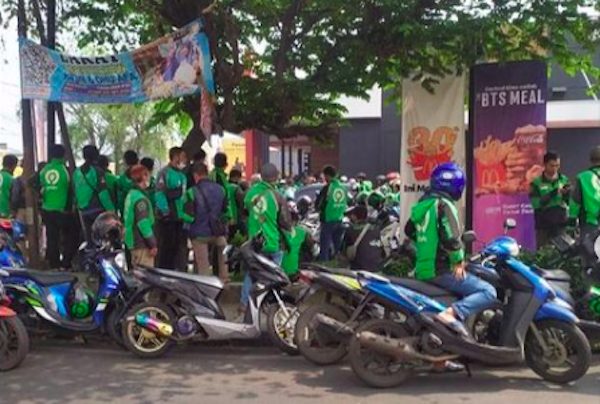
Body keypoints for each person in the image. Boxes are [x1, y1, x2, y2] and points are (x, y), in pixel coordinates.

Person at [405, 163, 497, 338]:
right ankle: (453, 313)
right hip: (441, 269)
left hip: (423, 268)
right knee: (488, 291)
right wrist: (458, 261)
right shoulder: (444, 205)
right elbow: (451, 238)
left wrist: (429, 245)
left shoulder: (423, 205)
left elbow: (409, 230)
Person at [239, 163, 292, 315]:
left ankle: (244, 304)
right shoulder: (277, 196)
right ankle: (270, 305)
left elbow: (244, 213)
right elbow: (285, 222)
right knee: (274, 276)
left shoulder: (249, 194)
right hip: (273, 243)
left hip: (254, 244)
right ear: (275, 178)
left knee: (251, 273)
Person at [183, 163, 229, 279]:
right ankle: (224, 281)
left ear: (195, 175)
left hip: (200, 235)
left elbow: (188, 216)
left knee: (203, 265)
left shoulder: (191, 192)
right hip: (218, 232)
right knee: (223, 257)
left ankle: (206, 287)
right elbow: (226, 212)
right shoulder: (221, 189)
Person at [39, 145, 78, 270]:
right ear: (64, 155)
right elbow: (73, 189)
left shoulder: (44, 170)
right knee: (72, 235)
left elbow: (35, 183)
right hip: (63, 211)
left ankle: (54, 265)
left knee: (52, 238)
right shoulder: (66, 170)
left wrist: (43, 196)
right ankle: (66, 263)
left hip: (47, 210)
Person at [155, 147, 188, 271]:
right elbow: (159, 193)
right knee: (166, 250)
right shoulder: (164, 173)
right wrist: (165, 212)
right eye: (183, 156)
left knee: (179, 249)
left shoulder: (182, 175)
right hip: (168, 218)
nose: (185, 160)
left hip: (180, 218)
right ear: (176, 157)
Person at [74, 145, 115, 241]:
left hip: (83, 210)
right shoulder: (97, 171)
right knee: (102, 239)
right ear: (96, 155)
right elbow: (103, 194)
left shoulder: (77, 172)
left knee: (90, 239)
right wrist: (111, 210)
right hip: (97, 210)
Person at [530, 151, 570, 247]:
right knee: (542, 254)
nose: (555, 169)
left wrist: (567, 194)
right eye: (552, 166)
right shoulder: (536, 183)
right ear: (545, 165)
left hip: (561, 223)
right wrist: (553, 193)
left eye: (557, 165)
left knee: (564, 252)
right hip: (544, 225)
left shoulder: (564, 179)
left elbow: (568, 202)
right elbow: (536, 204)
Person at [124, 165, 157, 268]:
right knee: (145, 278)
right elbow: (143, 224)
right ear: (143, 176)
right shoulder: (140, 199)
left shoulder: (131, 194)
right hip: (142, 245)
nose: (149, 177)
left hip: (132, 242)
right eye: (147, 175)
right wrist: (152, 244)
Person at [316, 165, 348, 261]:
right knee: (337, 248)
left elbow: (319, 204)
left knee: (324, 248)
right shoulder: (343, 188)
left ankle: (324, 268)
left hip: (328, 221)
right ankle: (337, 266)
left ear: (327, 175)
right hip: (340, 220)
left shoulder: (328, 188)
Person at [570, 146, 600, 239]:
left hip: (590, 224)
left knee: (589, 251)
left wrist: (572, 220)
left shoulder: (583, 177)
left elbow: (575, 202)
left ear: (591, 160)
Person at [342, 205, 384, 270]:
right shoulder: (376, 230)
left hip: (359, 267)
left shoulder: (351, 230)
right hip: (377, 267)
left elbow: (343, 250)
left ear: (354, 216)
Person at [281, 208, 315, 276]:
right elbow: (312, 250)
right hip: (293, 272)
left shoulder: (275, 232)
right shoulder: (302, 232)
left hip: (277, 273)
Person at [116, 150, 139, 215]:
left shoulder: (120, 180)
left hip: (127, 213)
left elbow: (120, 200)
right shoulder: (144, 176)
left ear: (125, 162)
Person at [227, 168, 246, 237]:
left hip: (226, 217)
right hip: (235, 217)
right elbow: (242, 203)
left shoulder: (224, 186)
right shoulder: (236, 188)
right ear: (236, 177)